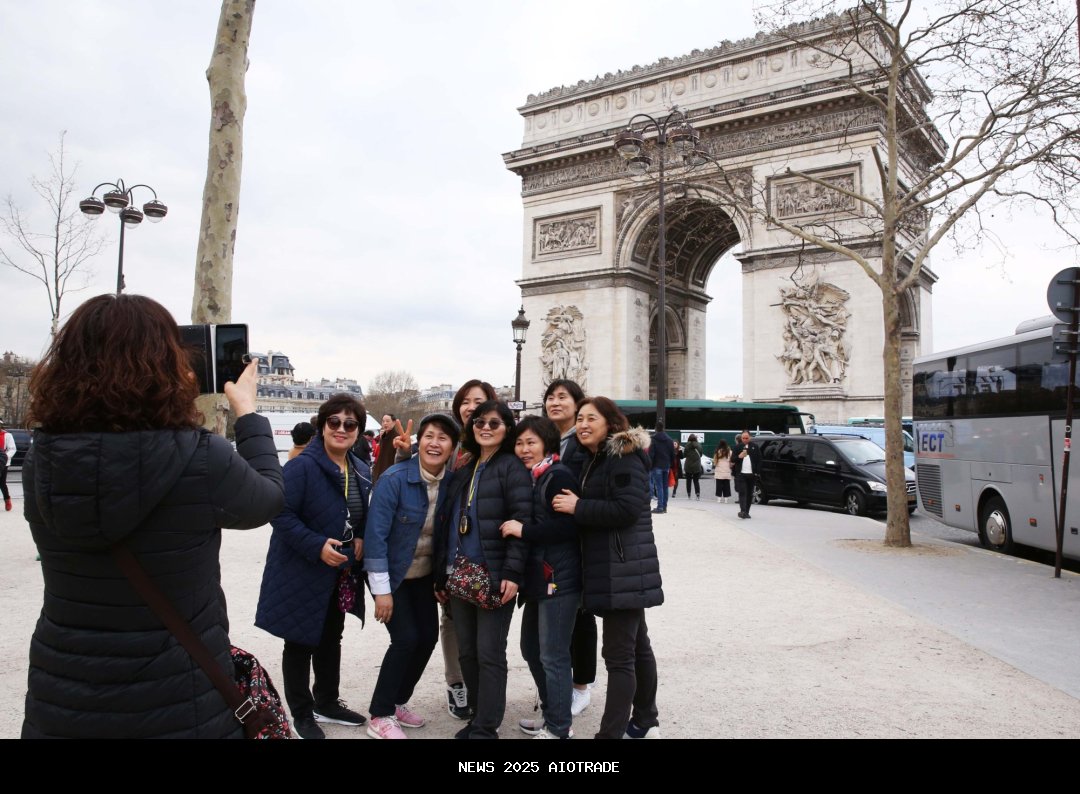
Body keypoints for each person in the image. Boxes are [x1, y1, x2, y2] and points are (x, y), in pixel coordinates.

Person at [20, 293, 285, 739]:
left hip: (64, 690)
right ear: (167, 364)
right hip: (179, 696)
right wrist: (248, 414)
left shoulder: (40, 459)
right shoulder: (200, 458)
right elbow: (269, 499)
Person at [255, 394, 372, 740]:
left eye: (350, 424)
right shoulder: (301, 466)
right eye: (334, 422)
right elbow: (279, 514)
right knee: (299, 641)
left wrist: (360, 536)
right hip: (302, 569)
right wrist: (316, 545)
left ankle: (327, 701)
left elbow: (359, 513)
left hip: (340, 571)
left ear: (358, 430)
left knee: (331, 637)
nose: (341, 429)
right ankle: (302, 713)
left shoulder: (360, 468)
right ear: (322, 426)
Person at [552, 396, 663, 739]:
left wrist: (578, 507)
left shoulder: (623, 457)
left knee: (618, 657)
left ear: (611, 423)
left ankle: (610, 735)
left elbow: (627, 510)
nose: (583, 425)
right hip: (620, 565)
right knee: (637, 648)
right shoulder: (597, 457)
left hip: (622, 568)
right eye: (580, 419)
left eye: (591, 418)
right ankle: (645, 721)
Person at [435, 399, 531, 739]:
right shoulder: (467, 467)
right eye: (479, 422)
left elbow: (522, 521)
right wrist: (441, 573)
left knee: (489, 652)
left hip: (493, 573)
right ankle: (477, 716)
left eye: (494, 423)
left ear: (507, 429)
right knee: (467, 652)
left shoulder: (511, 468)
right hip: (460, 572)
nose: (485, 427)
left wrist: (513, 573)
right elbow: (447, 525)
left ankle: (487, 727)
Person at [363, 413, 459, 739]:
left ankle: (396, 701)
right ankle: (380, 714)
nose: (435, 443)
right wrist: (382, 591)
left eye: (443, 438)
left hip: (422, 575)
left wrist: (442, 580)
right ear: (420, 441)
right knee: (405, 639)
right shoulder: (393, 479)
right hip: (391, 573)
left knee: (427, 637)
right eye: (429, 436)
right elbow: (375, 537)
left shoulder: (452, 483)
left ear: (452, 448)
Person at [500, 415, 582, 739]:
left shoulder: (557, 475)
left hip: (559, 578)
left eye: (531, 442)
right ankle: (553, 716)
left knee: (552, 654)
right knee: (531, 649)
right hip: (541, 578)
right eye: (519, 443)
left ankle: (560, 728)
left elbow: (569, 526)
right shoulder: (536, 476)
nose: (523, 449)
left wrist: (524, 530)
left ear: (547, 444)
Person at [542, 378, 594, 717]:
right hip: (552, 540)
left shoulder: (583, 442)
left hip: (578, 539)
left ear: (578, 404)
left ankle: (581, 686)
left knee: (581, 617)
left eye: (563, 397)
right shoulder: (549, 440)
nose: (555, 402)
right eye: (550, 397)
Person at [732, 430, 763, 519]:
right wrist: (739, 456)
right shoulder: (737, 447)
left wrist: (757, 472)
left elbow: (759, 460)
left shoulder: (755, 447)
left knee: (749, 493)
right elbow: (732, 459)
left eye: (746, 438)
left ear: (750, 437)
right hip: (741, 474)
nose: (745, 440)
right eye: (743, 438)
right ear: (741, 438)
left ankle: (746, 512)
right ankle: (742, 511)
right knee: (742, 492)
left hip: (752, 474)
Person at [649, 421, 675, 514]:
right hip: (666, 466)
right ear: (663, 428)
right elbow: (672, 454)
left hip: (656, 466)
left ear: (656, 428)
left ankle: (660, 507)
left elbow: (651, 454)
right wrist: (670, 464)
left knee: (659, 487)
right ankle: (664, 507)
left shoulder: (653, 439)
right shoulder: (670, 440)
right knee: (665, 487)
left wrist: (650, 465)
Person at [372, 413, 399, 482]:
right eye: (383, 421)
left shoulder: (397, 437)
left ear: (394, 422)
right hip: (379, 467)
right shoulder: (383, 436)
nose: (385, 423)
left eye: (387, 421)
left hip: (389, 470)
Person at [0, 418, 15, 511]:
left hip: (3, 462)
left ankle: (7, 499)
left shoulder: (7, 435)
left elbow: (12, 449)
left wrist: (5, 456)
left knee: (2, 483)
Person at [683, 433, 704, 500]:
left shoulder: (687, 445)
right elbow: (701, 455)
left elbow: (684, 455)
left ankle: (689, 495)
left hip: (688, 465)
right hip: (697, 466)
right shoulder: (699, 445)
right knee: (696, 481)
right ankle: (697, 495)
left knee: (688, 481)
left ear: (689, 438)